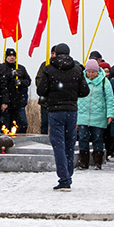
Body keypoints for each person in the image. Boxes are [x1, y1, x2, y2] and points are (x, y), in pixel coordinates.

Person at [34, 43, 89, 191]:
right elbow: (85, 91)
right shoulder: (77, 69)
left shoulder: (49, 69)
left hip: (55, 111)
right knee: (69, 143)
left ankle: (64, 179)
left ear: (56, 53)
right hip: (71, 110)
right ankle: (68, 175)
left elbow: (41, 90)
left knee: (58, 144)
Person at [74, 56, 114, 170]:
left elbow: (110, 99)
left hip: (99, 116)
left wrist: (110, 114)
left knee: (98, 139)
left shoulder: (104, 82)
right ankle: (84, 163)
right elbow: (75, 98)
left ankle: (98, 162)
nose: (91, 74)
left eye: (93, 72)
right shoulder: (80, 81)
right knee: (83, 138)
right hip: (82, 115)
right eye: (89, 72)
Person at [0, 48, 32, 133]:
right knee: (5, 126)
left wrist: (20, 82)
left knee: (23, 124)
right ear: (6, 57)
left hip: (19, 102)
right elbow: (0, 83)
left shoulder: (21, 68)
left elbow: (28, 81)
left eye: (13, 56)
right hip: (6, 103)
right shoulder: (1, 68)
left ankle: (20, 141)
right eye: (10, 56)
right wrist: (10, 75)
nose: (12, 57)